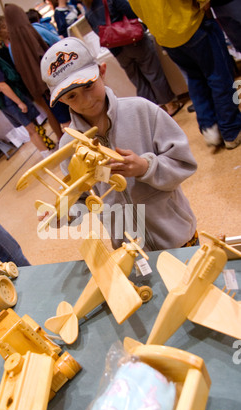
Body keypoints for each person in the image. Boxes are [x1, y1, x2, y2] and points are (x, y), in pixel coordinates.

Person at [41, 37, 198, 251]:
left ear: (102, 71)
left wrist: (146, 167)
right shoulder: (69, 145)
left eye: (88, 85)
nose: (85, 101)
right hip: (130, 251)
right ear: (61, 101)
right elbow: (82, 199)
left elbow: (184, 162)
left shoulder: (142, 110)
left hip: (178, 238)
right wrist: (64, 213)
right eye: (71, 96)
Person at [127, 0, 241, 149]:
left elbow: (136, 10)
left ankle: (209, 126)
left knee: (195, 79)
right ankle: (231, 129)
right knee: (219, 75)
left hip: (165, 35)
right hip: (190, 24)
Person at [83, 0, 184, 117]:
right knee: (154, 74)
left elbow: (99, 32)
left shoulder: (88, 11)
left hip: (117, 51)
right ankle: (170, 105)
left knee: (138, 82)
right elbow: (133, 12)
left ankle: (152, 112)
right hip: (133, 41)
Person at [0, 31, 55, 156]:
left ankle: (47, 149)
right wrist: (19, 102)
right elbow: (2, 85)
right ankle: (46, 154)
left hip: (4, 101)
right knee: (31, 129)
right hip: (11, 99)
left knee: (32, 128)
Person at [4, 3, 68, 141]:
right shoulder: (36, 29)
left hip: (40, 89)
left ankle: (66, 144)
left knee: (59, 117)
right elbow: (59, 43)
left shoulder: (12, 46)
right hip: (59, 78)